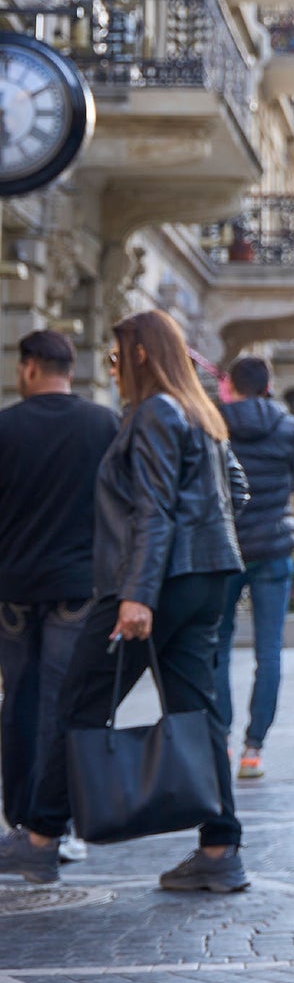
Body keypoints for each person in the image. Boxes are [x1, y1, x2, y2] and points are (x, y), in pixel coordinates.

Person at [0, 311, 250, 891]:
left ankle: (39, 837)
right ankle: (220, 847)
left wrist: (137, 596)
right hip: (204, 576)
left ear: (140, 354)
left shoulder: (157, 411)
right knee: (195, 709)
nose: (112, 371)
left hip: (154, 584)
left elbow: (154, 510)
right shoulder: (198, 412)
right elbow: (235, 490)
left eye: (115, 359)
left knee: (79, 702)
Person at [0, 331, 118, 846]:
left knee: (17, 701)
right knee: (60, 702)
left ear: (28, 368)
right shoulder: (103, 425)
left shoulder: (5, 426)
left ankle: (19, 815)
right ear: (71, 369)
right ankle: (52, 826)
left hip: (14, 588)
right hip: (78, 587)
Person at [214, 355, 294, 781]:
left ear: (230, 385)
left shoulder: (213, 421)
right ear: (269, 384)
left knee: (218, 645)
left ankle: (221, 739)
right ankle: (253, 748)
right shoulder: (287, 426)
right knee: (268, 650)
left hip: (225, 547)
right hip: (273, 546)